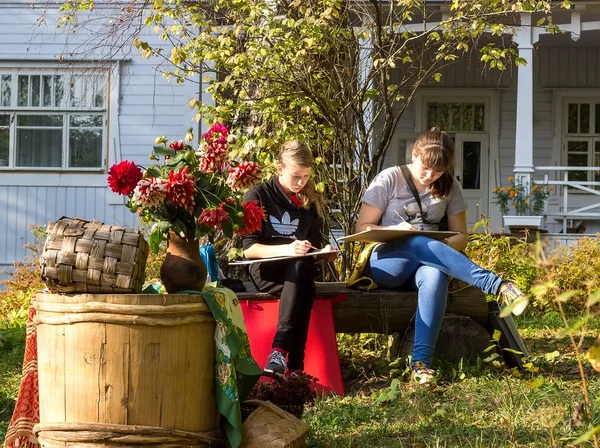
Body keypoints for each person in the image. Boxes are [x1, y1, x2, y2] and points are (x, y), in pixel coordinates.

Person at [355, 127, 528, 384]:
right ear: (414, 154)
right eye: (424, 167)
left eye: (437, 171)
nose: (429, 176)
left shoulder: (449, 186)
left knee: (435, 275)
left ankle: (421, 364)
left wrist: (438, 246)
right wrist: (395, 230)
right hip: (385, 265)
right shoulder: (389, 178)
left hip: (425, 263)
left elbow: (461, 237)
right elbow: (362, 228)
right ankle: (497, 285)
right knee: (415, 241)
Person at [242, 140, 338, 376]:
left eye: (305, 176)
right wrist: (287, 249)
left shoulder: (310, 200)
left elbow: (311, 247)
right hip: (266, 269)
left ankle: (280, 354)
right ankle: (295, 364)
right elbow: (248, 249)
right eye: (295, 176)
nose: (301, 182)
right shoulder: (258, 195)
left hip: (297, 270)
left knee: (301, 272)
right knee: (303, 283)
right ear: (279, 169)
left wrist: (324, 253)